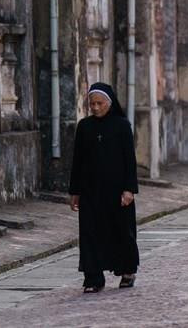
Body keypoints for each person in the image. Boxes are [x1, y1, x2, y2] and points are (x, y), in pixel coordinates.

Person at [68, 82, 139, 293]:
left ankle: (127, 270)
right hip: (90, 190)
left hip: (117, 192)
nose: (96, 108)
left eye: (100, 103)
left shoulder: (122, 125)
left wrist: (129, 189)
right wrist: (75, 191)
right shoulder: (84, 127)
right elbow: (77, 161)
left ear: (109, 102)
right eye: (92, 104)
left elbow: (130, 160)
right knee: (90, 233)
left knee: (122, 231)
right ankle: (93, 278)